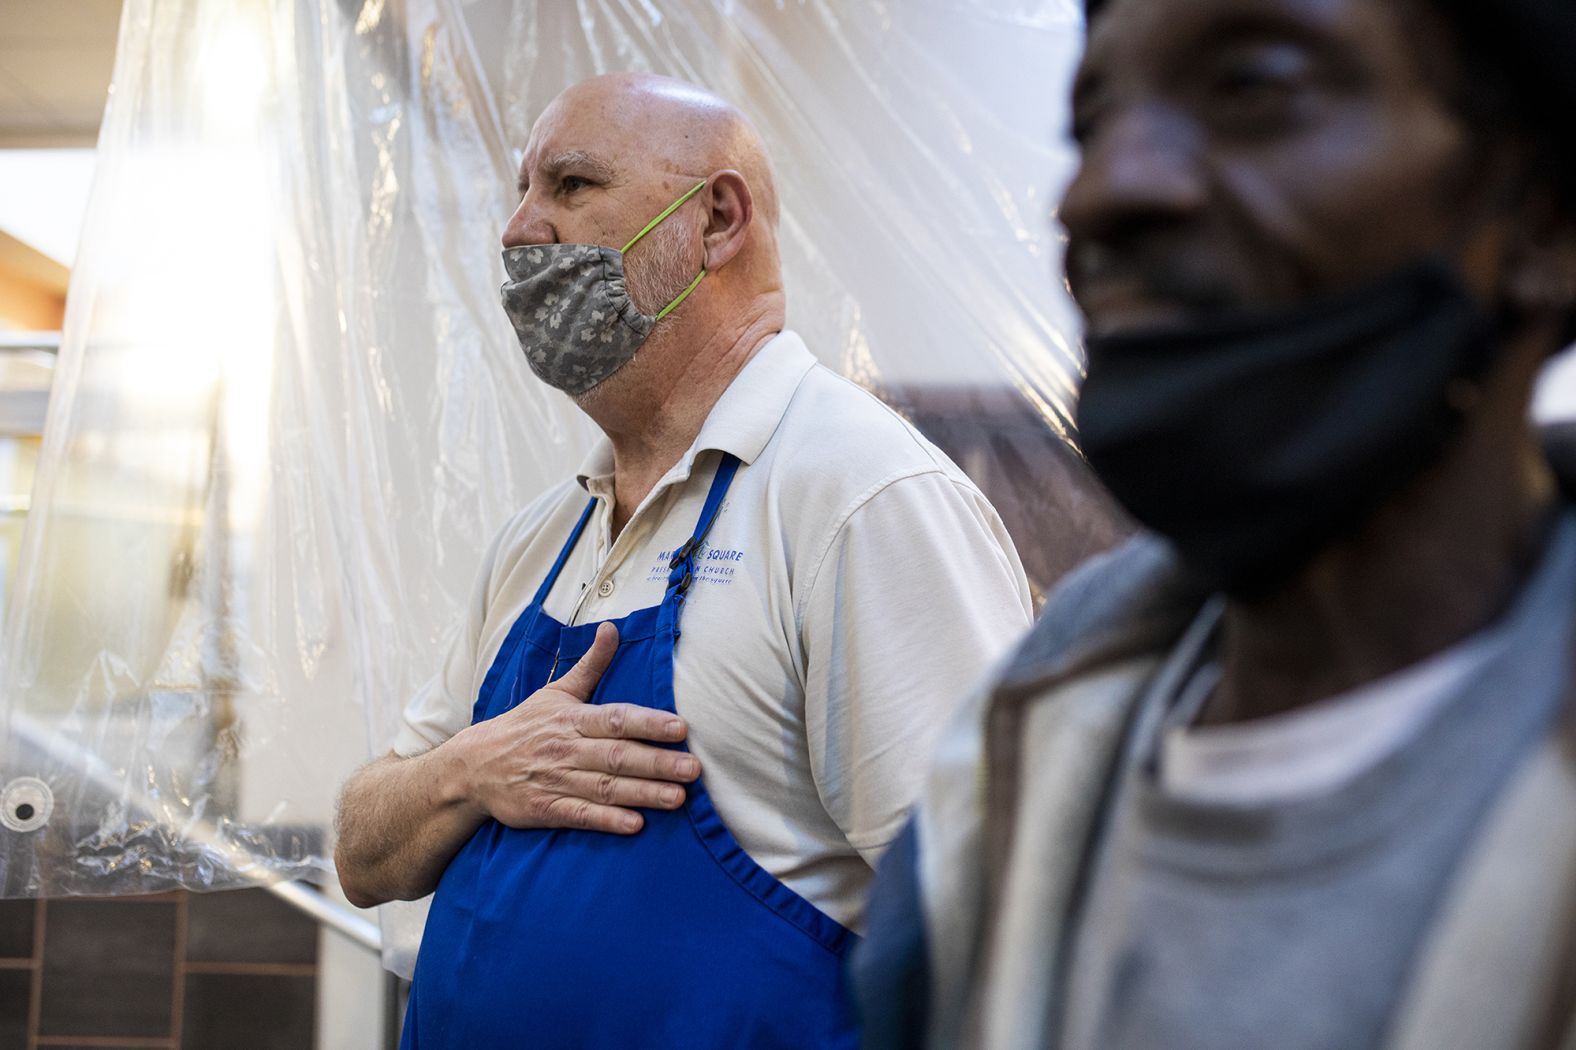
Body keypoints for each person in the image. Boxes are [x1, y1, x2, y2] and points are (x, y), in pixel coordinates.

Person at [853, 0, 1576, 1047]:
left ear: (1546, 223)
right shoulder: (1031, 732)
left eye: (1253, 87)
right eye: (1091, 121)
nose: (1100, 191)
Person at [332, 72, 1033, 1049]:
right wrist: (470, 771)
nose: (518, 231)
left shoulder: (858, 497)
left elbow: (1012, 924)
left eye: (571, 186)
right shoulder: (543, 536)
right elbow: (364, 855)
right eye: (521, 189)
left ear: (715, 220)